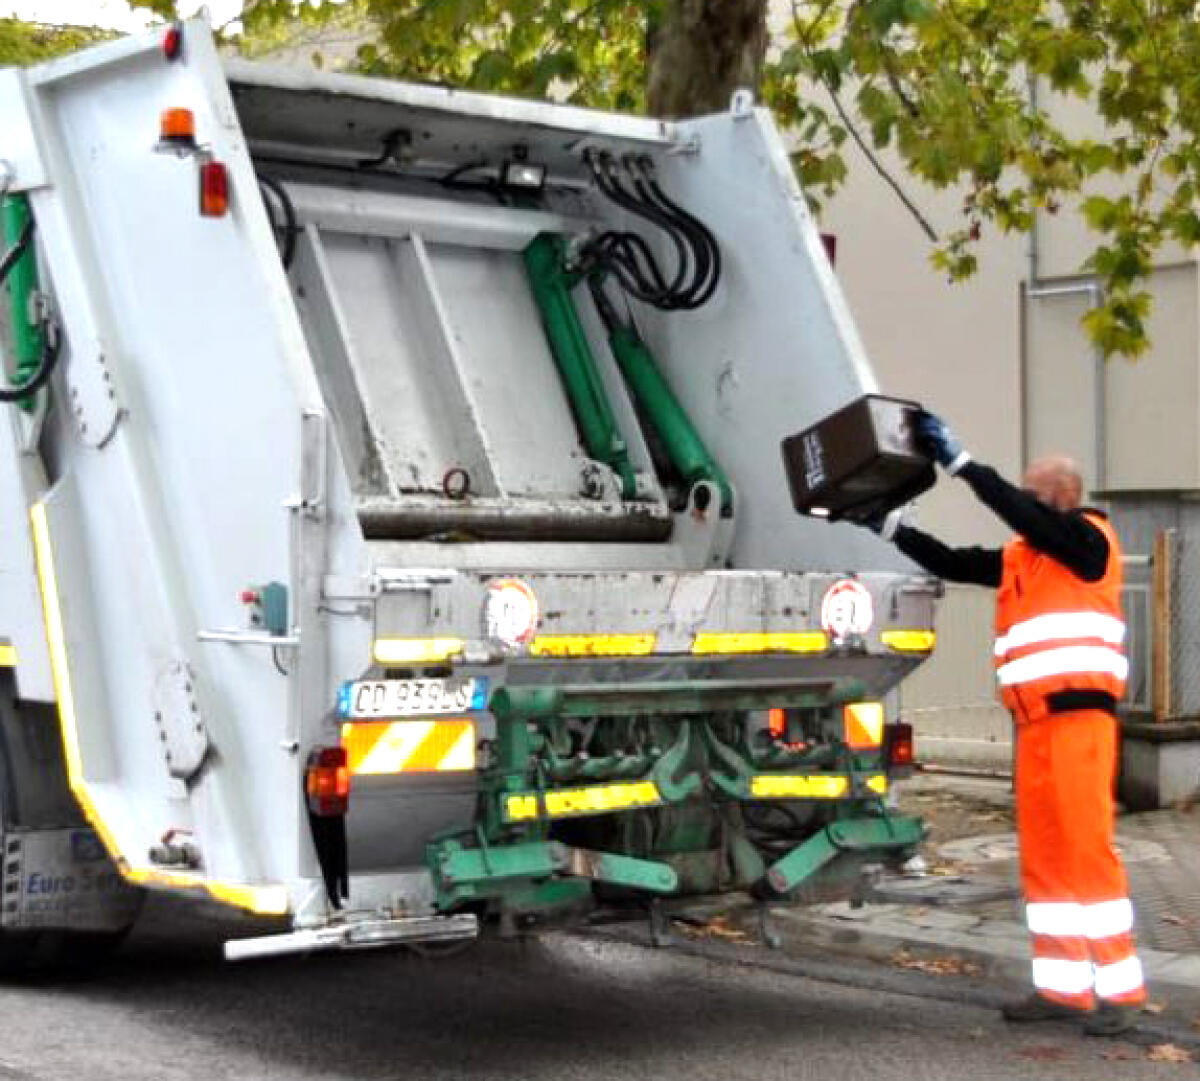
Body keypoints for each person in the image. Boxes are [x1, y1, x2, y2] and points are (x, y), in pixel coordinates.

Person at [862, 411, 1145, 1037]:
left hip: (1078, 723)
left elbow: (1025, 516)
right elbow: (955, 561)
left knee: (1085, 851)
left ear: (1060, 497)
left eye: (1031, 490)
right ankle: (1064, 989)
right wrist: (889, 527)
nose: (1022, 500)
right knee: (1044, 858)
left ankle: (1120, 991)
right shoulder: (1027, 556)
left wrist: (964, 467)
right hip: (1037, 726)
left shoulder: (1088, 540)